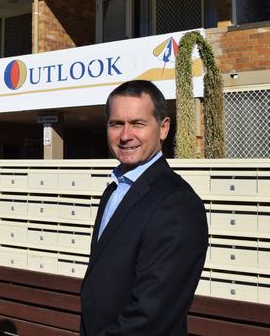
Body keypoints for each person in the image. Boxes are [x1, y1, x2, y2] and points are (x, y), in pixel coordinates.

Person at [80, 80, 208, 335]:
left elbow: (152, 314)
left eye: (138, 123)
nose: (125, 135)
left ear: (163, 128)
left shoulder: (177, 204)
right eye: (116, 124)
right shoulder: (115, 188)